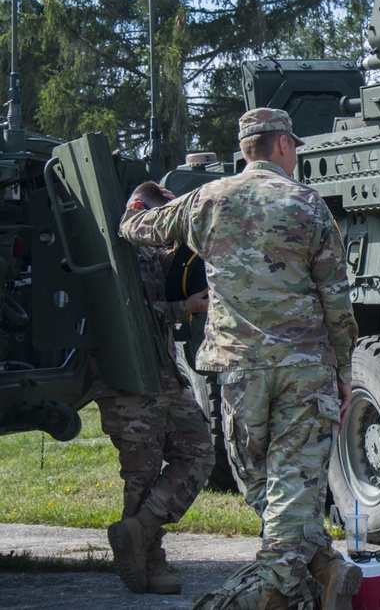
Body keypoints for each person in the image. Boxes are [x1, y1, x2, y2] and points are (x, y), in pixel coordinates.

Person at [119, 108, 361, 610]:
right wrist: (343, 373)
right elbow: (337, 301)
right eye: (293, 144)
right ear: (280, 146)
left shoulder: (207, 199)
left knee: (262, 481)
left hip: (240, 368)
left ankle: (321, 569)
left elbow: (137, 229)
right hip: (304, 367)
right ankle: (279, 590)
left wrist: (132, 208)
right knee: (291, 483)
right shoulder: (308, 204)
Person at [99, 181, 214, 595]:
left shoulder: (151, 252)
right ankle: (149, 560)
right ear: (138, 207)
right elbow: (128, 315)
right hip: (128, 382)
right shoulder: (116, 251)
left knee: (200, 452)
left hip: (163, 373)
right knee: (142, 473)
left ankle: (140, 531)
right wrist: (185, 308)